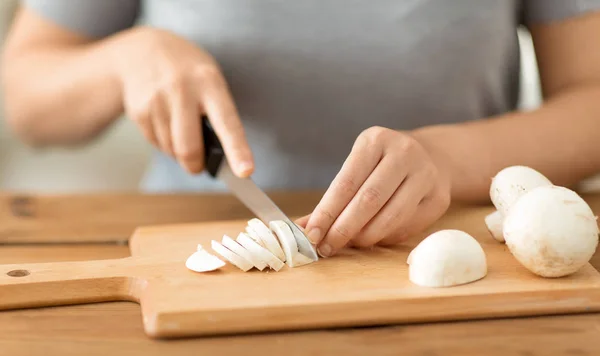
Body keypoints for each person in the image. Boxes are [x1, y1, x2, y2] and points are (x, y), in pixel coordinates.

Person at [2, 1, 600, 258]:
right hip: (193, 248)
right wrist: (120, 62)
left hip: (454, 258)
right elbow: (22, 95)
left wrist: (449, 160)